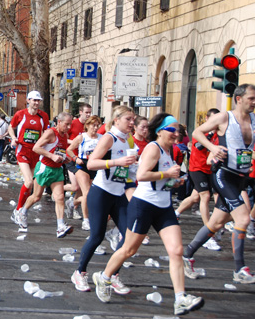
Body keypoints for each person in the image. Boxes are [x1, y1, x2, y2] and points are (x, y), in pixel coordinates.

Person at [92, 113, 204, 316]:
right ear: (160, 130)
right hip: (143, 205)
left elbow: (161, 180)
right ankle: (104, 276)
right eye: (172, 130)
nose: (176, 134)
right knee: (128, 250)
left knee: (176, 250)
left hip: (164, 207)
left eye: (178, 130)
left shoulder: (169, 150)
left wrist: (174, 181)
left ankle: (180, 299)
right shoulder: (154, 148)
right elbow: (142, 175)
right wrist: (167, 175)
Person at [183, 84, 255, 284]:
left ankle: (186, 255)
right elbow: (197, 132)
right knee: (243, 219)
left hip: (241, 177)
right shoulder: (225, 117)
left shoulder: (254, 120)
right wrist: (213, 148)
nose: (254, 102)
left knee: (216, 223)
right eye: (251, 98)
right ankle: (240, 269)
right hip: (223, 175)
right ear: (239, 99)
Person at [71, 105, 136, 295]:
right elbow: (92, 163)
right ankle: (79, 272)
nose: (132, 123)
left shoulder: (127, 140)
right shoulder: (109, 137)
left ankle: (112, 275)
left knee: (128, 238)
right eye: (128, 119)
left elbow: (127, 170)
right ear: (116, 120)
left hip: (119, 194)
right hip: (101, 193)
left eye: (133, 119)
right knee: (97, 236)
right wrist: (116, 162)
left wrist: (135, 167)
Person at [18, 112, 73, 236]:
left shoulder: (65, 135)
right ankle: (22, 211)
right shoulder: (51, 133)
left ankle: (60, 226)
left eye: (70, 124)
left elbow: (58, 150)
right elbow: (36, 148)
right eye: (66, 124)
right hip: (45, 168)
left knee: (60, 197)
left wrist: (64, 157)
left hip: (57, 169)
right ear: (59, 122)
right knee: (36, 197)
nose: (68, 127)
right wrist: (52, 156)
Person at [174, 108, 222, 250]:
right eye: (212, 119)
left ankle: (176, 213)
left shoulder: (219, 134)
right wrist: (210, 135)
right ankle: (208, 234)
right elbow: (200, 146)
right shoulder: (201, 132)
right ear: (207, 119)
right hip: (197, 168)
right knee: (205, 196)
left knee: (195, 197)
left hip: (210, 169)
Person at [9, 91, 50, 224]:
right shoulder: (20, 114)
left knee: (30, 185)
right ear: (28, 101)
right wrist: (14, 138)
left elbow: (45, 133)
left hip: (36, 153)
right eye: (34, 100)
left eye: (38, 101)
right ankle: (19, 210)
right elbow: (11, 126)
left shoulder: (43, 116)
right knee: (29, 182)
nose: (36, 103)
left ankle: (20, 209)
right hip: (22, 151)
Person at [66, 115, 102, 231]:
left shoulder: (101, 138)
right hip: (82, 165)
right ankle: (86, 220)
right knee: (87, 193)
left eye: (97, 125)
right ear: (87, 126)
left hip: (95, 166)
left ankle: (72, 203)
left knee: (87, 193)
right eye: (93, 125)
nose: (95, 128)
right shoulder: (82, 137)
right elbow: (69, 150)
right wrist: (76, 158)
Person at [65, 103, 93, 219]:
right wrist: (75, 142)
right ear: (80, 112)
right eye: (86, 112)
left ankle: (74, 207)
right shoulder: (73, 123)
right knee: (76, 187)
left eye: (89, 112)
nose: (88, 115)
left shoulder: (89, 125)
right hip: (72, 158)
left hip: (84, 160)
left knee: (83, 188)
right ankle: (56, 188)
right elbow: (64, 138)